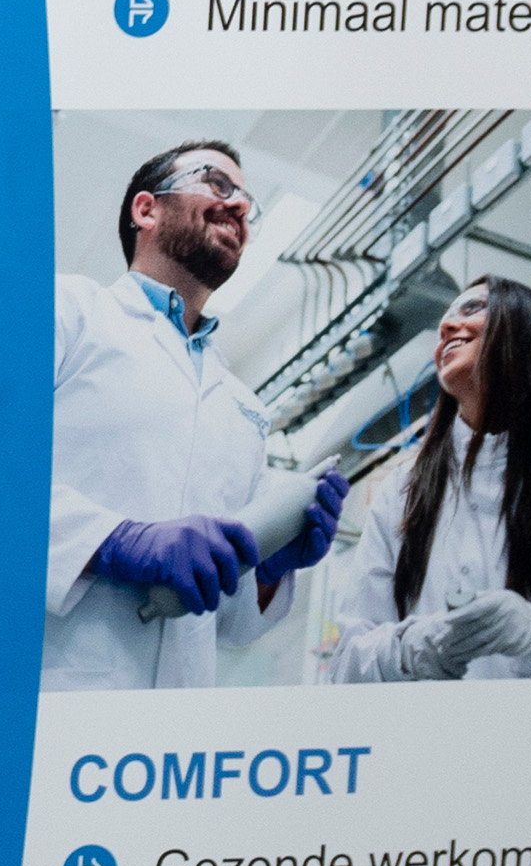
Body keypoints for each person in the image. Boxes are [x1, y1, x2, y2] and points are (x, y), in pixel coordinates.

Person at [46, 138, 345, 690]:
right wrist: (115, 541)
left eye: (247, 201)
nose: (239, 206)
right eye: (217, 183)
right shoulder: (67, 311)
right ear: (146, 209)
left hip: (178, 711)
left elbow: (228, 623)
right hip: (49, 683)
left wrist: (269, 566)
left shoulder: (244, 408)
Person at [327, 273, 531, 680]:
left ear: (527, 329)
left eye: (473, 308)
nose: (445, 326)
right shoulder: (402, 489)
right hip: (429, 722)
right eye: (446, 317)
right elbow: (346, 667)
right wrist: (408, 650)